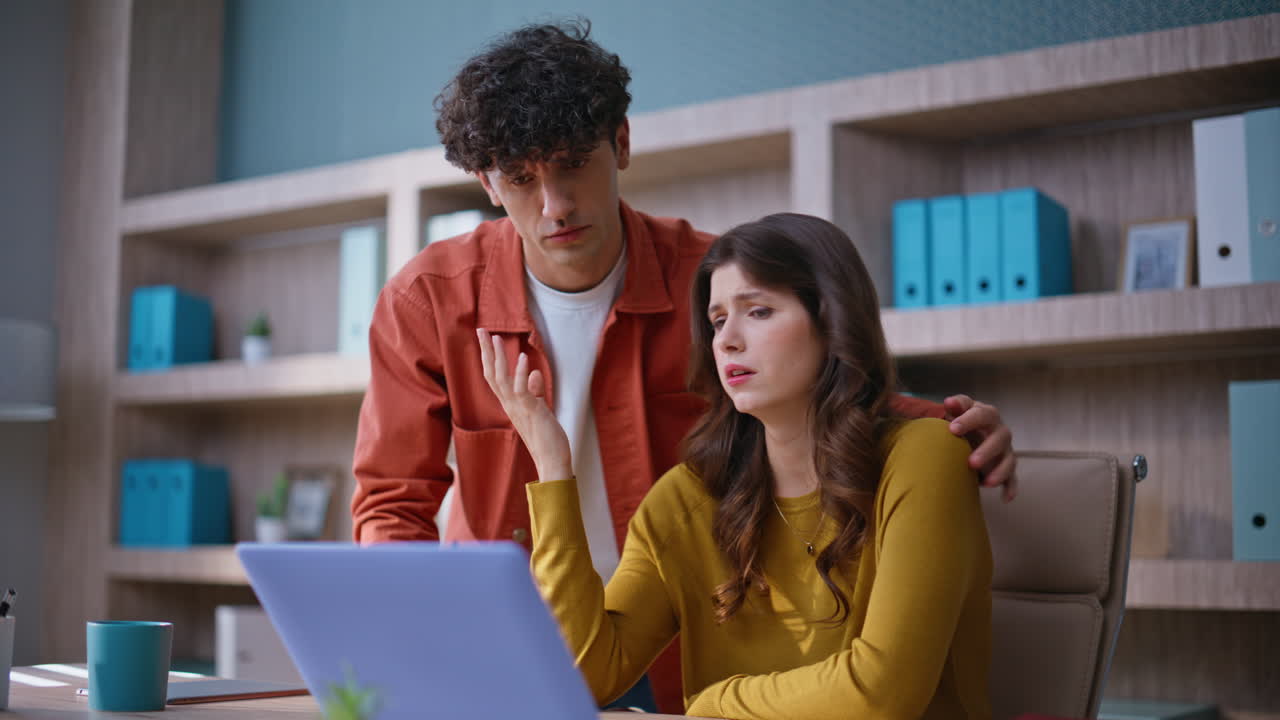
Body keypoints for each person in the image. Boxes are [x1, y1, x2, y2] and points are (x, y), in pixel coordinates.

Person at [350, 19, 1012, 713]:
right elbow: (393, 502)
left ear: (621, 142)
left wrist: (953, 427)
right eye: (520, 179)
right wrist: (416, 656)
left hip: (680, 634)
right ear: (488, 182)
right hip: (517, 641)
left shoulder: (713, 281)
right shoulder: (429, 300)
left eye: (573, 162)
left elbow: (823, 385)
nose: (555, 206)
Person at [477, 212, 992, 720]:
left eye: (759, 311)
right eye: (718, 320)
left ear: (832, 322)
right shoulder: (687, 497)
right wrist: (552, 465)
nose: (727, 340)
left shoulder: (924, 458)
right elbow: (582, 676)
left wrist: (710, 706)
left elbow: (881, 693)